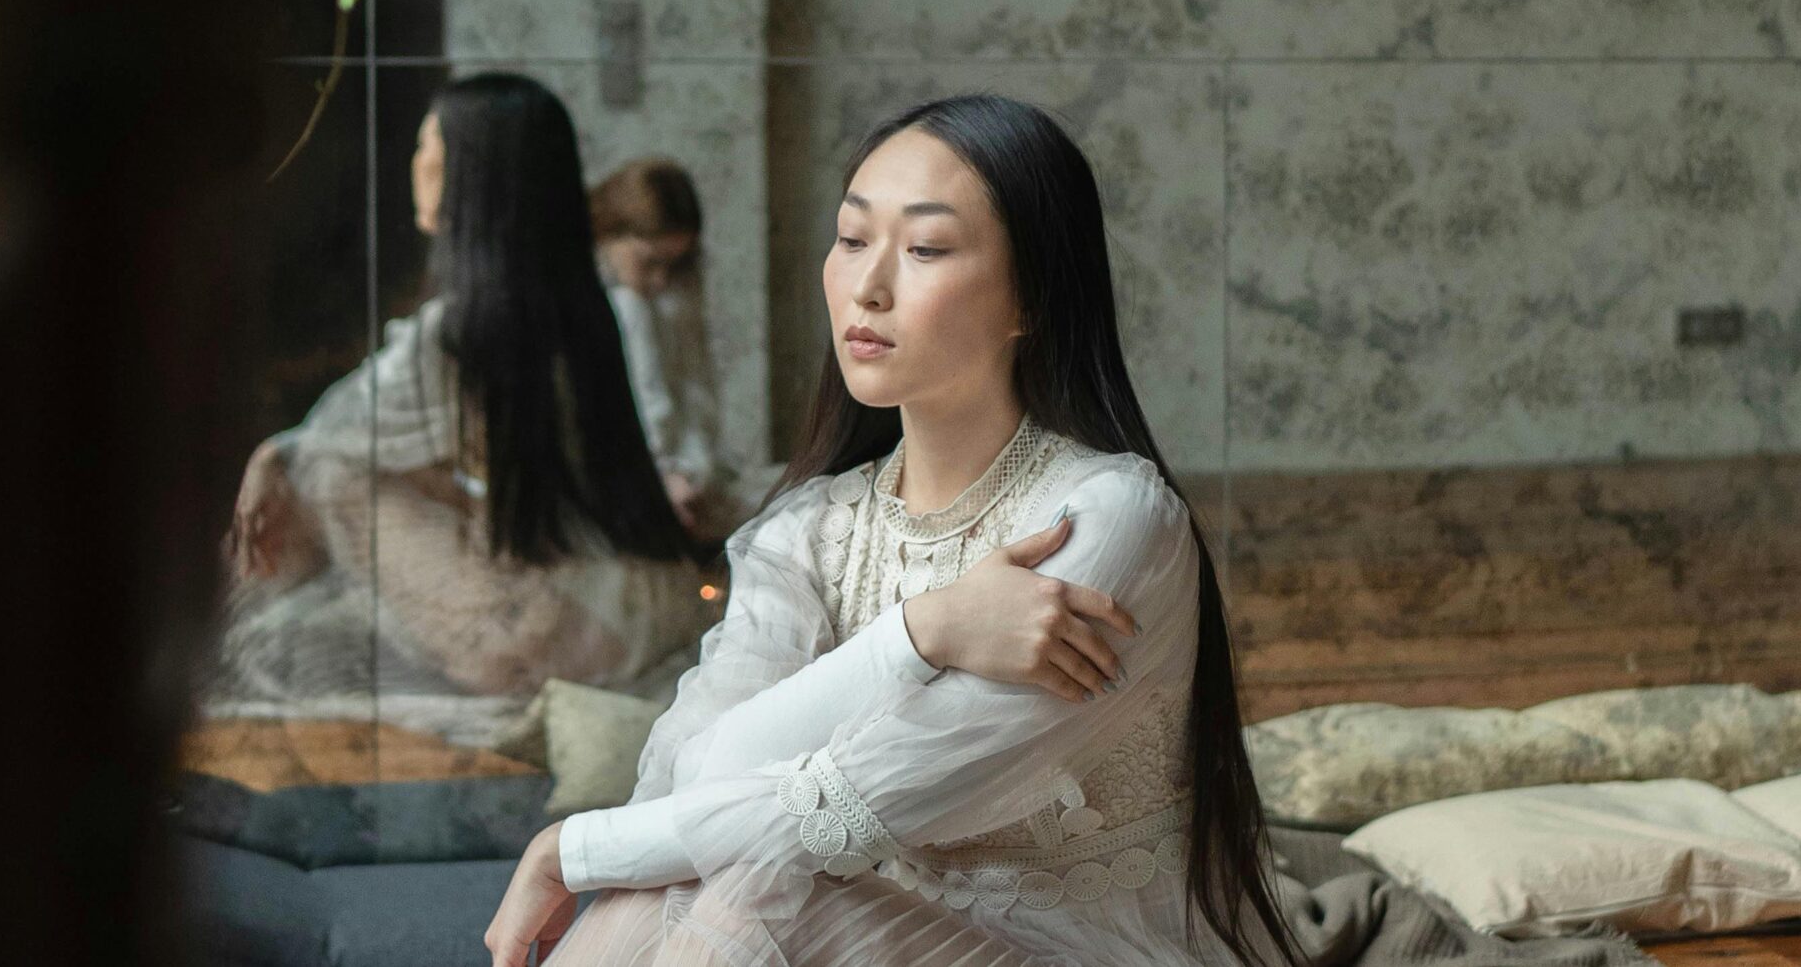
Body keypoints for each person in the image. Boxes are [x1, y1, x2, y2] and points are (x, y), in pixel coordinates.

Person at [483, 94, 1309, 967]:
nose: (867, 286)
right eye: (851, 238)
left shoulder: (1102, 521)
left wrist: (575, 848)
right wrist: (920, 632)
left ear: (1031, 297)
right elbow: (700, 776)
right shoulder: (809, 530)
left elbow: (859, 799)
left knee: (746, 883)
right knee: (689, 878)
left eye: (924, 248)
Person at [218, 73, 714, 706]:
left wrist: (272, 455)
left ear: (470, 177)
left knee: (323, 474)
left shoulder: (460, 329)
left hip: (538, 630)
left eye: (429, 150)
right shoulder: (576, 306)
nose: (416, 167)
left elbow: (337, 437)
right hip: (627, 603)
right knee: (361, 468)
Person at [592, 157, 736, 536]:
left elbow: (697, 390)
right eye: (649, 262)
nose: (659, 280)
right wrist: (657, 475)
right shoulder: (611, 304)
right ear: (608, 235)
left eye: (673, 265)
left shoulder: (673, 298)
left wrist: (691, 472)